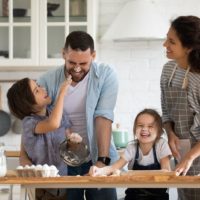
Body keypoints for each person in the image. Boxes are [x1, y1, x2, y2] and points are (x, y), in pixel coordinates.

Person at [20, 31, 119, 200]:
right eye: (71, 62)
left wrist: (102, 161)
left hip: (97, 155)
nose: (77, 68)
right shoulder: (47, 81)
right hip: (63, 162)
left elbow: (103, 117)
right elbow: (33, 120)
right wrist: (23, 156)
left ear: (93, 55)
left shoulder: (106, 75)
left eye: (83, 63)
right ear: (63, 54)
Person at [7, 76, 72, 200]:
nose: (43, 89)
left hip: (65, 181)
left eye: (38, 86)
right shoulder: (29, 123)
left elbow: (68, 135)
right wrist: (62, 93)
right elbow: (53, 124)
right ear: (28, 105)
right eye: (37, 91)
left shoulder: (56, 112)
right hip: (43, 187)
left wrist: (73, 139)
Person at [89, 108, 172, 200]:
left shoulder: (161, 145)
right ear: (134, 129)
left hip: (158, 197)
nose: (144, 129)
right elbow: (114, 168)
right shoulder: (132, 147)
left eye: (150, 126)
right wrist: (99, 171)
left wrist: (129, 174)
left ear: (159, 131)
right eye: (140, 125)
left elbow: (166, 172)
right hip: (134, 196)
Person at [160, 15, 200, 200]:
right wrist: (170, 133)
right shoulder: (168, 70)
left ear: (189, 47)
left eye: (172, 41)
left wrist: (190, 157)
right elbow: (166, 109)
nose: (165, 44)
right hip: (182, 151)